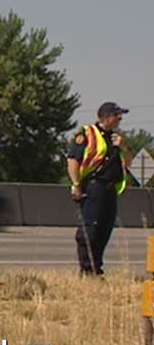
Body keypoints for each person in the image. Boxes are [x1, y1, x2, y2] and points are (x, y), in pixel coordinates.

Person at [67, 101, 133, 276]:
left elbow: (128, 162)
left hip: (110, 190)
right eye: (117, 115)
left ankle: (96, 269)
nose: (120, 118)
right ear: (106, 116)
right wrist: (76, 185)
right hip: (94, 186)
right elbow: (73, 160)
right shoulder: (87, 133)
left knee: (104, 229)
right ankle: (87, 270)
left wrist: (123, 147)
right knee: (90, 230)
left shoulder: (116, 138)